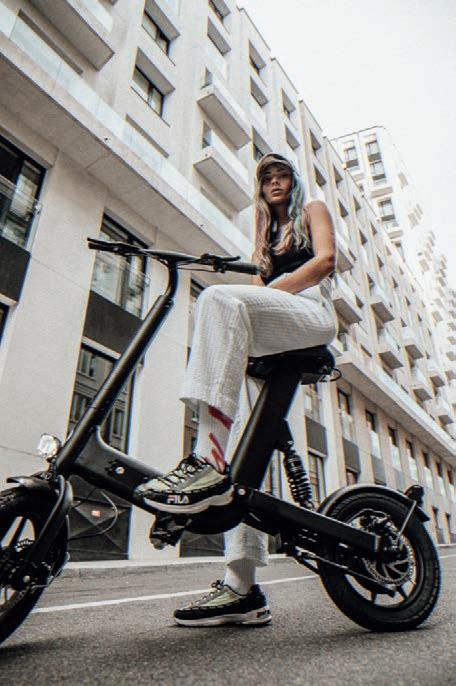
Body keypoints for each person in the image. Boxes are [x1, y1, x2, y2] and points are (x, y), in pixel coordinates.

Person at [135, 153, 337, 626]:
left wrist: (270, 291)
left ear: (293, 181)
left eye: (281, 175)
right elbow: (255, 295)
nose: (275, 182)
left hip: (310, 313)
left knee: (217, 297)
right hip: (270, 324)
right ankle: (240, 586)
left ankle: (205, 460)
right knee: (242, 464)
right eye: (267, 178)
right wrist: (262, 294)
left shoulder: (313, 210)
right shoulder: (263, 233)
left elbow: (326, 261)